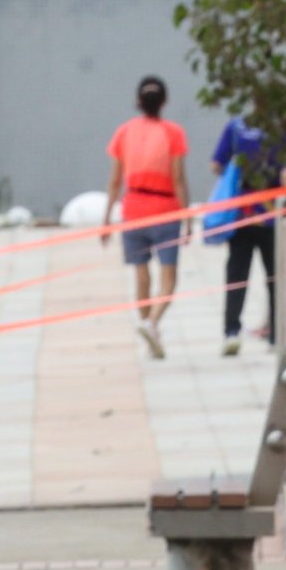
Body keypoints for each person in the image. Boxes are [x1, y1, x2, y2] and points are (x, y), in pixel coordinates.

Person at [106, 77, 194, 359]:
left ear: (139, 101)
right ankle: (152, 322)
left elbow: (115, 180)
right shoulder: (174, 133)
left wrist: (107, 219)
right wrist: (187, 215)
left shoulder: (124, 132)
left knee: (141, 275)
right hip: (165, 209)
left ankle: (148, 328)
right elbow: (178, 178)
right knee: (169, 275)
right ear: (164, 102)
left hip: (133, 208)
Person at [206, 109, 284, 352]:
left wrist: (235, 170)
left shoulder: (236, 127)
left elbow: (216, 165)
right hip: (270, 213)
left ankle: (231, 333)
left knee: (237, 275)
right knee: (274, 276)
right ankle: (275, 335)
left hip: (241, 212)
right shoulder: (282, 131)